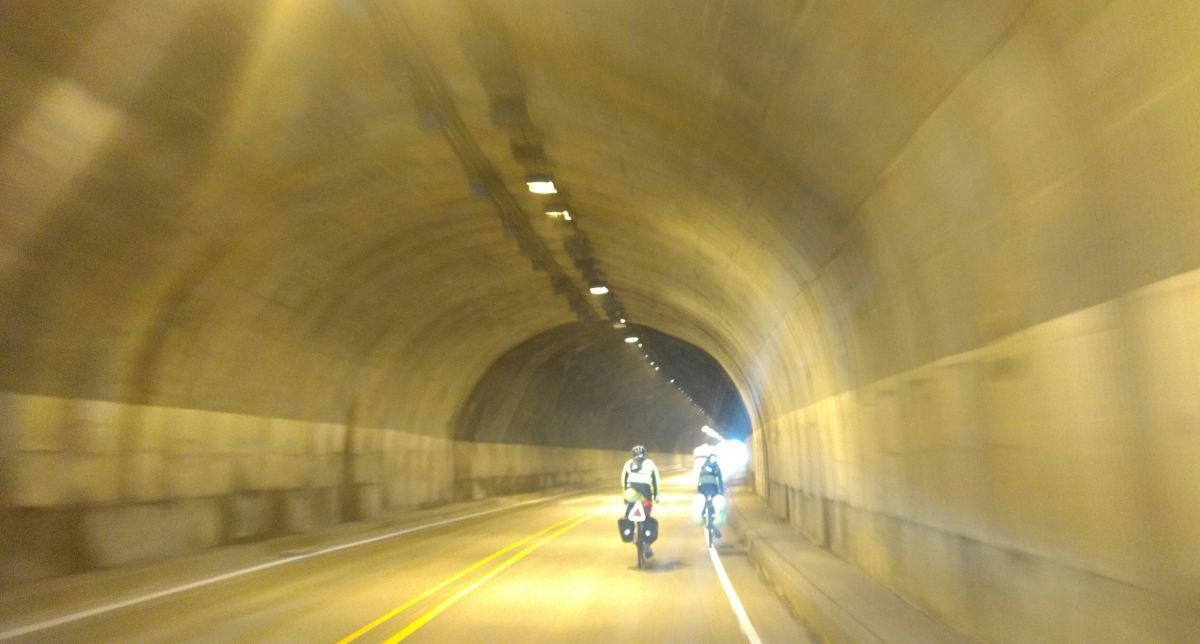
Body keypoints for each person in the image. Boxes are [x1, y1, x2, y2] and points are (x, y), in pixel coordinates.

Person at [621, 445, 661, 557]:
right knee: (646, 516)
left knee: (628, 515)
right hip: (645, 492)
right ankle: (646, 544)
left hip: (631, 491)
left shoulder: (628, 464)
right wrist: (656, 495)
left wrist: (625, 496)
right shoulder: (650, 463)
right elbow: (656, 480)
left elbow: (623, 480)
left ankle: (631, 533)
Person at [697, 453, 725, 538]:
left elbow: (700, 478)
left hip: (703, 486)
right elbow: (719, 479)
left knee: (704, 502)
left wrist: (698, 489)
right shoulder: (716, 466)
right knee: (715, 504)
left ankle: (703, 514)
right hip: (713, 487)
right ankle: (716, 528)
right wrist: (721, 491)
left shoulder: (704, 466)